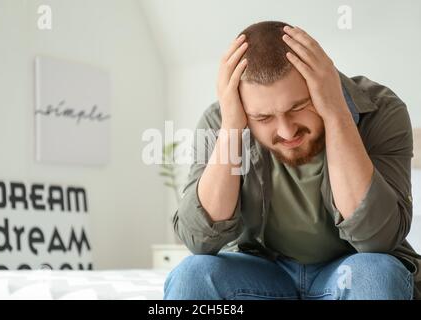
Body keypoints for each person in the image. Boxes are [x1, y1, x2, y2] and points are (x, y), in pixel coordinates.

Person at [164, 21, 420, 300]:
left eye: (298, 107)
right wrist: (232, 129)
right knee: (192, 274)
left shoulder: (381, 109)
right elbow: (198, 240)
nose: (287, 131)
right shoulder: (221, 120)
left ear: (322, 84)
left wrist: (337, 113)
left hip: (351, 269)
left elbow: (378, 239)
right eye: (263, 118)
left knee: (377, 275)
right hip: (262, 272)